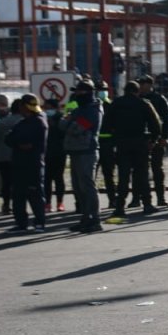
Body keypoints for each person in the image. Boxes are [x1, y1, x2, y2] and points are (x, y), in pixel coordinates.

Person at [103, 81, 162, 218]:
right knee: (142, 174)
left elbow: (106, 124)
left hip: (122, 143)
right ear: (137, 91)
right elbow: (156, 124)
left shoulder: (116, 104)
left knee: (123, 176)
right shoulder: (144, 104)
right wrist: (153, 140)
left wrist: (113, 140)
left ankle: (119, 207)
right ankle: (147, 204)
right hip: (140, 143)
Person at [63, 81, 105, 233]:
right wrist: (68, 122)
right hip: (75, 151)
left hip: (86, 151)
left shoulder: (93, 110)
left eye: (80, 92)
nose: (76, 95)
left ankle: (95, 219)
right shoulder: (81, 109)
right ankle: (86, 218)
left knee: (87, 186)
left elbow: (77, 128)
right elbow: (63, 125)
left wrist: (69, 122)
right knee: (79, 187)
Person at [5, 94, 48, 233]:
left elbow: (30, 143)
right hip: (19, 163)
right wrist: (19, 143)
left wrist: (19, 142)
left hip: (33, 164)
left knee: (35, 194)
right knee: (18, 195)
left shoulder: (39, 122)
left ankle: (40, 222)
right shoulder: (21, 123)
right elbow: (9, 139)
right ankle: (21, 223)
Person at [138, 75, 168, 206]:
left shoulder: (159, 99)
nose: (141, 86)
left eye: (143, 83)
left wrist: (164, 137)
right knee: (141, 169)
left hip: (157, 139)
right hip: (142, 139)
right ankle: (139, 199)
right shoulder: (138, 98)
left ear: (149, 85)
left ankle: (161, 198)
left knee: (157, 169)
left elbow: (166, 120)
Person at [0, 97, 20, 216]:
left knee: (7, 182)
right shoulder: (24, 121)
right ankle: (15, 205)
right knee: (16, 182)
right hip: (19, 156)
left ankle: (7, 205)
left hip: (4, 157)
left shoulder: (3, 122)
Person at [94, 79, 119, 211]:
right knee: (92, 175)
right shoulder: (92, 105)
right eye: (99, 90)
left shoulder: (111, 105)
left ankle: (112, 200)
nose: (101, 92)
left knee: (108, 174)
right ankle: (89, 203)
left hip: (108, 144)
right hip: (95, 143)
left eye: (103, 90)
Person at [43, 98, 67, 213]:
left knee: (59, 178)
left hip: (59, 152)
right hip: (46, 152)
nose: (48, 110)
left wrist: (56, 125)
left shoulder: (61, 118)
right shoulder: (42, 118)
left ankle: (59, 202)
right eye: (46, 108)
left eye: (50, 107)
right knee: (47, 179)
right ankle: (47, 203)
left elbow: (65, 133)